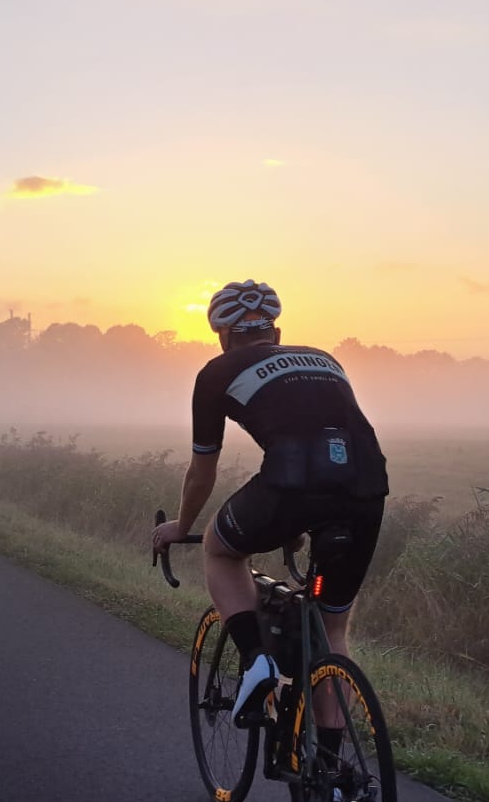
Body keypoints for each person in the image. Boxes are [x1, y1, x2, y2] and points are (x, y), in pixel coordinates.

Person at [149, 279, 389, 737]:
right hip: (367, 486)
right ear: (276, 333)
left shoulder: (217, 371)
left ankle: (257, 662)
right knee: (332, 633)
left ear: (223, 337)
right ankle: (333, 780)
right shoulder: (325, 358)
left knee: (221, 549)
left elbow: (203, 471)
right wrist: (294, 525)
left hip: (292, 482)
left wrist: (183, 525)